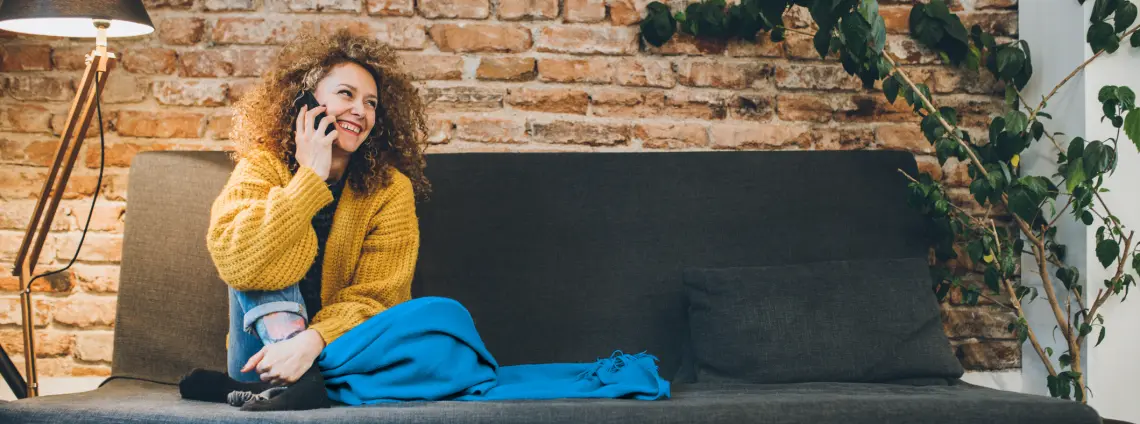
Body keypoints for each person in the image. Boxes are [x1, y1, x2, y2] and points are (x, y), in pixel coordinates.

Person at [178, 28, 432, 411]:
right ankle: (294, 386)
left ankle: (276, 385)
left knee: (268, 253)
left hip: (343, 355)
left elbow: (379, 296)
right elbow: (236, 257)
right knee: (257, 255)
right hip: (264, 360)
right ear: (305, 102)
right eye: (346, 94)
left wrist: (311, 341)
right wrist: (309, 179)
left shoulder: (389, 189)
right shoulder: (262, 168)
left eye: (371, 103)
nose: (360, 111)